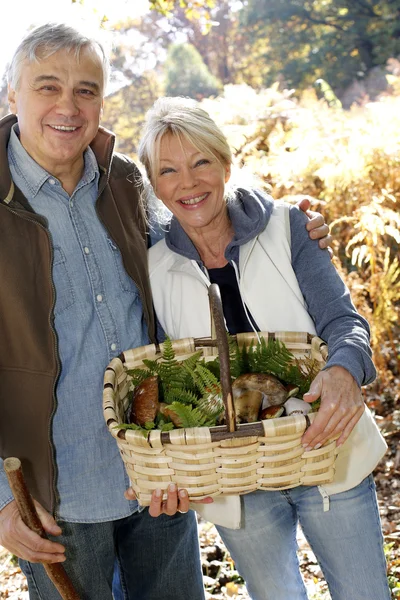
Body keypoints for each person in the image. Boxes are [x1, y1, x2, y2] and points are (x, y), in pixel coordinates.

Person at [0, 22, 331, 600]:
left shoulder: (126, 182)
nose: (68, 106)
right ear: (12, 93)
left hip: (161, 474)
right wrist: (4, 503)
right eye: (47, 86)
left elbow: (198, 217)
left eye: (87, 89)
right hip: (57, 499)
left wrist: (283, 218)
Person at [132, 96, 390, 600]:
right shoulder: (152, 268)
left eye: (201, 161)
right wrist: (171, 469)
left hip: (325, 447)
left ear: (226, 164)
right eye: (168, 170)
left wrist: (343, 371)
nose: (188, 182)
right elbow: (168, 385)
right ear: (154, 184)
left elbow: (344, 321)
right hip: (236, 479)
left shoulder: (288, 227)